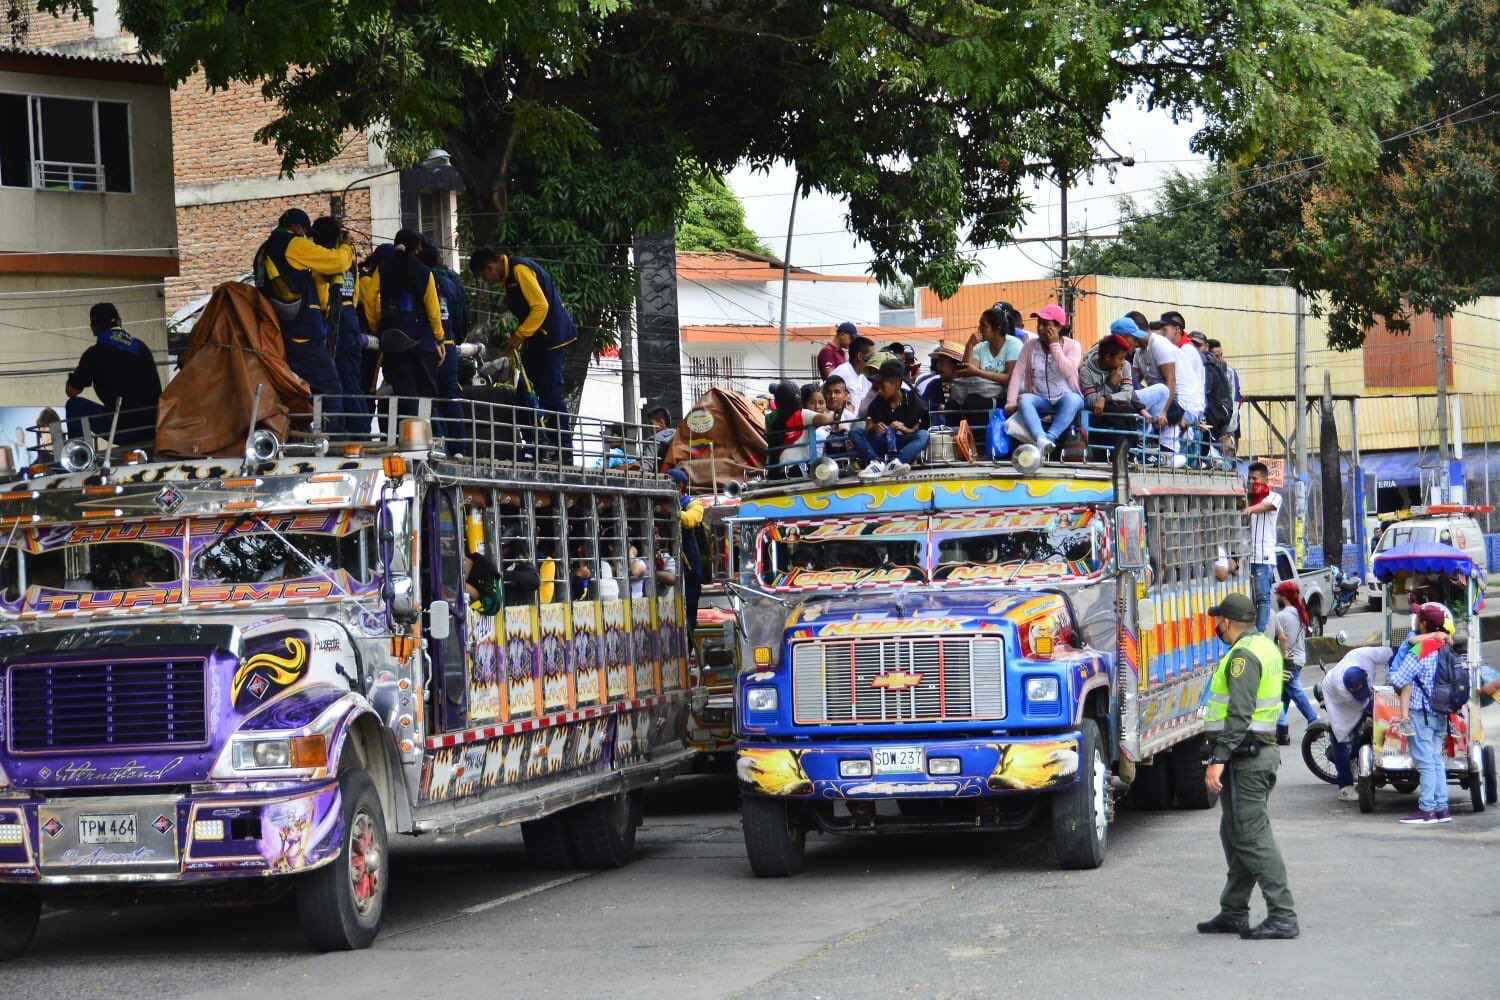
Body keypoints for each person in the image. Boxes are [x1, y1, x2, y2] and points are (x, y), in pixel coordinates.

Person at [1198, 592, 1299, 940]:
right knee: (1236, 832)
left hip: (1245, 757)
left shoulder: (1242, 655)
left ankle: (1283, 916)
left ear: (1227, 623)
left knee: (1252, 837)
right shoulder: (1267, 647)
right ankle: (1233, 911)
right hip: (1257, 753)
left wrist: (1218, 759)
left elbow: (1239, 714)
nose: (1217, 627)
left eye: (1218, 621)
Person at [469, 248, 577, 452]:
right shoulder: (509, 276)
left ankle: (564, 449)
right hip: (537, 341)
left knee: (551, 394)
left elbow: (540, 307)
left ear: (490, 267)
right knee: (523, 392)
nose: (488, 280)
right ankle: (536, 443)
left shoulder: (519, 270)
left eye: (485, 276)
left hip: (551, 339)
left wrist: (519, 335)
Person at [254, 209, 355, 421]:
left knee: (300, 392)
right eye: (306, 233)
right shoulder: (294, 244)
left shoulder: (264, 250)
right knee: (330, 387)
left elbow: (301, 282)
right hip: (303, 334)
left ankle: (307, 436)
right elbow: (337, 261)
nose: (307, 238)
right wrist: (345, 247)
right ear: (298, 228)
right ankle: (334, 441)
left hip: (279, 332)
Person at [361, 230, 447, 410]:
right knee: (425, 399)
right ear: (417, 249)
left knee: (404, 396)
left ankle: (405, 434)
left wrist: (377, 325)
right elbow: (433, 311)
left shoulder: (383, 268)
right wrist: (439, 338)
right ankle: (422, 436)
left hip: (392, 341)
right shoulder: (424, 272)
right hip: (421, 341)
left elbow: (369, 298)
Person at [1389, 602, 1455, 824]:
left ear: (1424, 624)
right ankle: (1442, 808)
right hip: (1441, 713)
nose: (1415, 621)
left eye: (1418, 619)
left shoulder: (1422, 649)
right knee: (1436, 760)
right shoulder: (1446, 646)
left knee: (1425, 762)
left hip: (1421, 714)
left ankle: (1427, 810)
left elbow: (1397, 679)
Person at [65, 303, 163, 447]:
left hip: (123, 429)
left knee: (74, 405)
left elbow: (72, 391)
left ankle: (79, 456)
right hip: (153, 427)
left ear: (94, 328)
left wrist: (72, 378)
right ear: (119, 322)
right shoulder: (141, 347)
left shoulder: (95, 354)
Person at [1004, 304, 1082, 456]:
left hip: (1065, 396)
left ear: (1058, 327)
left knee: (1074, 399)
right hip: (1040, 397)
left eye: (1045, 324)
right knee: (1024, 399)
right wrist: (1011, 401)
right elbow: (1017, 373)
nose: (1040, 328)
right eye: (1039, 323)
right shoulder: (1030, 345)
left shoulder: (1073, 346)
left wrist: (1054, 345)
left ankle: (1048, 439)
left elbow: (1068, 370)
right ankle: (1041, 439)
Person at [1078, 329, 1162, 461]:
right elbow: (1091, 401)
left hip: (1120, 415)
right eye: (1120, 358)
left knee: (1126, 409)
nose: (1123, 361)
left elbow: (1127, 394)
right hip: (1099, 420)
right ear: (1108, 357)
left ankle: (1131, 451)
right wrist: (1111, 384)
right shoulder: (1086, 372)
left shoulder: (1125, 366)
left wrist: (1106, 397)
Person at [419, 239, 469, 449]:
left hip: (430, 345)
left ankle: (440, 448)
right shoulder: (451, 281)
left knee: (429, 399)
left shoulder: (420, 278)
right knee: (451, 396)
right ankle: (459, 449)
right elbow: (463, 316)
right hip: (449, 344)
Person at [1322, 646, 1388, 800]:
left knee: (1364, 724)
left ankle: (1356, 755)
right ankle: (1344, 787)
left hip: (1356, 693)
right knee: (1341, 738)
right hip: (1335, 698)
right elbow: (1365, 704)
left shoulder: (1362, 655)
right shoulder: (1343, 689)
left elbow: (1389, 653)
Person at [854, 360, 929, 480]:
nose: (879, 390)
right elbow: (870, 432)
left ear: (897, 384)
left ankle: (897, 462)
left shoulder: (914, 401)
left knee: (923, 435)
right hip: (883, 444)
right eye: (878, 386)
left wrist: (903, 429)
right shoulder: (876, 404)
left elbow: (918, 430)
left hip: (904, 444)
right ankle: (875, 463)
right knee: (855, 432)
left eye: (882, 386)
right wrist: (876, 429)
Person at [953, 307, 1021, 432]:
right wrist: (970, 345)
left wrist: (978, 372)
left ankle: (979, 438)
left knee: (972, 403)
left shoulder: (1014, 345)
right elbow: (967, 370)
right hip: (984, 392)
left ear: (997, 329)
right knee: (952, 404)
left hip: (1006, 396)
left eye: (983, 326)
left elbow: (1008, 378)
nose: (979, 329)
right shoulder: (981, 347)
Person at [1272, 581, 1319, 745]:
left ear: (1284, 597)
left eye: (1278, 594)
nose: (1276, 597)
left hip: (1288, 660)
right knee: (1283, 695)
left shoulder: (1281, 616)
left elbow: (1280, 639)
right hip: (1298, 658)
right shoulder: (1299, 613)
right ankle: (1280, 728)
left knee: (1294, 691)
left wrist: (1282, 655)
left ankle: (1313, 719)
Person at [1122, 315, 1178, 447]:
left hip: (1171, 401)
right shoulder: (1138, 352)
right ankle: (1141, 440)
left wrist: (1164, 412)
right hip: (1156, 400)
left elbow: (1171, 380)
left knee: (1160, 390)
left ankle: (1147, 440)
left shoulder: (1158, 344)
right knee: (1129, 400)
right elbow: (1133, 381)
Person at [1243, 461, 1282, 632]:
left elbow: (1268, 506)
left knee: (1263, 598)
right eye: (1249, 478)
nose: (1251, 482)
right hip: (1247, 558)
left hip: (1264, 558)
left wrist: (1250, 509)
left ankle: (1259, 633)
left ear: (1265, 479)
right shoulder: (1246, 499)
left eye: (1255, 478)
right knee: (1249, 600)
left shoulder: (1273, 497)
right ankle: (1249, 630)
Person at [765, 381, 836, 474]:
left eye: (821, 402)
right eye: (811, 402)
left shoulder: (770, 417)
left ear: (777, 403)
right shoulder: (802, 414)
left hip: (775, 468)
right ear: (801, 401)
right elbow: (826, 419)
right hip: (795, 467)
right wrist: (833, 412)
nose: (817, 407)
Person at [1160, 313, 1204, 461]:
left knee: (1181, 462)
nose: (1162, 334)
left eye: (1165, 330)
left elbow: (1184, 388)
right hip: (1187, 407)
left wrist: (1182, 417)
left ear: (1177, 329)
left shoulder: (1186, 351)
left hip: (1189, 408)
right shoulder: (1180, 350)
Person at [917, 342, 964, 427]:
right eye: (938, 362)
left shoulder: (967, 385)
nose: (938, 366)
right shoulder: (935, 385)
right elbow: (922, 403)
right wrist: (938, 407)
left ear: (955, 365)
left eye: (942, 362)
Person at [828, 336, 876, 414]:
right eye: (871, 357)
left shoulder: (862, 377)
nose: (874, 361)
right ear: (860, 356)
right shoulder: (840, 374)